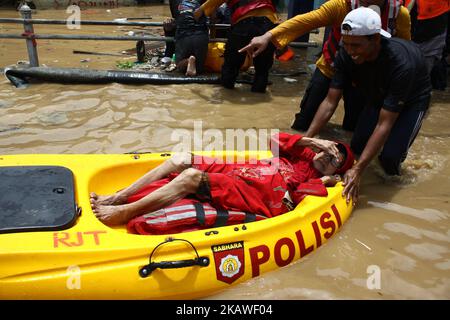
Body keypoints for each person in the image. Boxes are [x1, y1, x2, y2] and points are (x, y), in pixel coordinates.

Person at [303, 7, 431, 204]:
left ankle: (396, 181)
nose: (351, 51)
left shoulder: (401, 63)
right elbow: (330, 102)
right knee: (357, 145)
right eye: (346, 44)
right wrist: (307, 140)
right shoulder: (345, 54)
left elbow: (384, 124)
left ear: (376, 40)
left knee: (389, 160)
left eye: (356, 45)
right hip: (378, 92)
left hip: (412, 99)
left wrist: (358, 170)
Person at [90, 133, 354, 227]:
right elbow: (273, 140)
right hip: (250, 170)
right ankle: (119, 196)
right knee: (182, 158)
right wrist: (311, 140)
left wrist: (330, 180)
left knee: (190, 177)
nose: (325, 157)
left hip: (264, 192)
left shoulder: (321, 178)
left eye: (333, 159)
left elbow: (298, 199)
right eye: (327, 151)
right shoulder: (305, 153)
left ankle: (123, 213)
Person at [240, 0, 411, 131]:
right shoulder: (341, 6)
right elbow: (305, 21)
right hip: (331, 65)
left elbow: (403, 50)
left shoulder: (398, 14)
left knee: (353, 128)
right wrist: (268, 36)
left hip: (365, 76)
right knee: (303, 122)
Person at [193, 0, 279, 93]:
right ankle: (259, 97)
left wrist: (201, 9)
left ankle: (227, 92)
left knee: (231, 65)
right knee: (262, 69)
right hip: (268, 24)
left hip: (243, 23)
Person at [173, 0, 210, 76]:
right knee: (199, 69)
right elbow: (213, 16)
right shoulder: (204, 2)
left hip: (183, 35)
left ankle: (188, 60)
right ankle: (192, 61)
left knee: (179, 66)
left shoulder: (177, 2)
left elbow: (176, 18)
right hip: (201, 35)